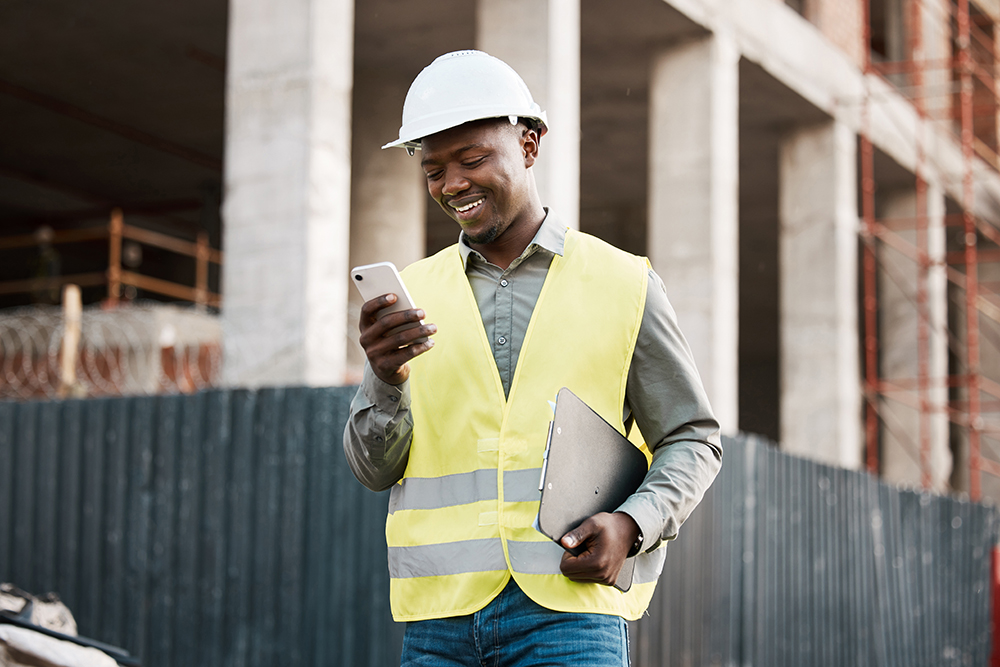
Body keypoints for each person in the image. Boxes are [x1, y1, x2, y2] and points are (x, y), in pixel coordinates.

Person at [344, 50, 721, 667]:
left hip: (568, 616)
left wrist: (632, 525)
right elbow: (373, 470)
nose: (453, 183)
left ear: (530, 144)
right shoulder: (411, 295)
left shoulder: (624, 283)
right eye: (434, 169)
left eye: (472, 159)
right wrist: (385, 380)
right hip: (439, 622)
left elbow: (693, 439)